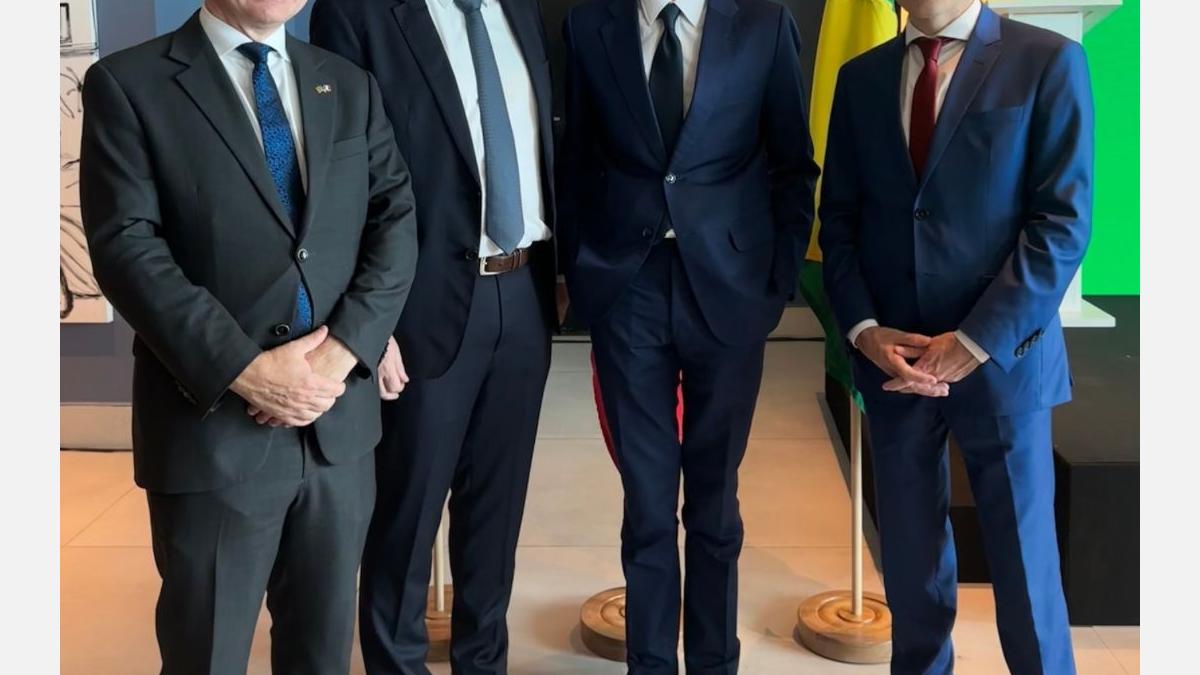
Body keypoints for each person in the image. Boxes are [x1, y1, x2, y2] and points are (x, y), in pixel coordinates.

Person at [78, 0, 418, 671]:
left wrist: (344, 349)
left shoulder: (349, 84)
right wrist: (245, 368)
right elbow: (127, 248)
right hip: (212, 430)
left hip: (336, 430)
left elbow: (394, 220)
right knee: (207, 653)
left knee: (321, 652)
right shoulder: (128, 83)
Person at [819, 0, 1093, 672]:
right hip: (895, 363)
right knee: (910, 564)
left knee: (1025, 569)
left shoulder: (1048, 61)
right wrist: (863, 329)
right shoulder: (861, 78)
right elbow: (840, 223)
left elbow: (1061, 224)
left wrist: (973, 341)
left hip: (1003, 361)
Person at [558, 0, 819, 672]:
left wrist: (776, 280)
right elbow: (573, 157)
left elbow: (793, 163)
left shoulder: (764, 23)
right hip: (628, 289)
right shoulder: (589, 24)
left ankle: (713, 660)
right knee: (646, 503)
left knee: (714, 501)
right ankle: (649, 662)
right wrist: (579, 269)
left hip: (731, 290)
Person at [309, 0, 558, 672]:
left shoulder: (519, 9)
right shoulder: (357, 15)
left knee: (495, 521)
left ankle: (484, 662)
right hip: (416, 308)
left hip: (525, 294)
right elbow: (339, 177)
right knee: (405, 523)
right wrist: (369, 324)